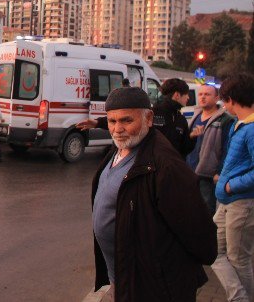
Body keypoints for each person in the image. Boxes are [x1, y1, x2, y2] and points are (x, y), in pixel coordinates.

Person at [92, 87, 217, 301]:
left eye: (126, 121)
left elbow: (198, 230)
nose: (117, 129)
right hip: (125, 278)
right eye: (112, 122)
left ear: (148, 118)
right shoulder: (120, 149)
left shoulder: (165, 165)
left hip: (154, 286)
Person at [212, 73, 254, 302]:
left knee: (239, 259)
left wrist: (230, 185)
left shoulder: (251, 128)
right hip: (228, 202)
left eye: (223, 100)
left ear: (231, 100)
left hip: (242, 202)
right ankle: (240, 297)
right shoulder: (239, 125)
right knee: (213, 249)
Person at [185, 84, 234, 215]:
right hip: (190, 171)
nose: (203, 97)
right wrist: (191, 136)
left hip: (208, 174)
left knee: (207, 210)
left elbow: (228, 149)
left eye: (207, 94)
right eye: (200, 94)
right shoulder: (195, 117)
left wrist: (219, 171)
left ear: (216, 97)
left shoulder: (225, 120)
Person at [152, 78, 195, 158]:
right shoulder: (152, 113)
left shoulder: (180, 118)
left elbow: (184, 149)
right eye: (186, 94)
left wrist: (192, 137)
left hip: (173, 167)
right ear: (177, 95)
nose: (188, 98)